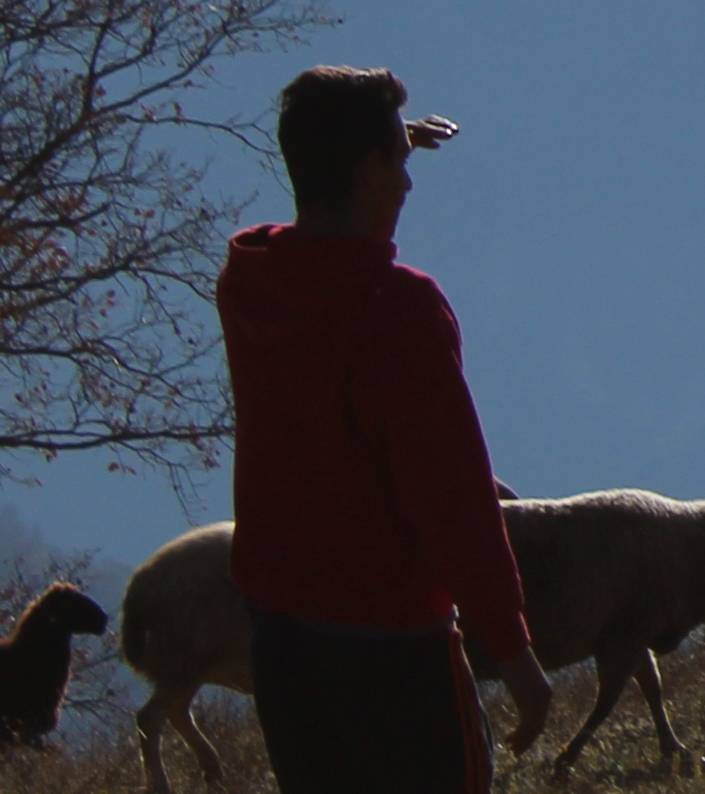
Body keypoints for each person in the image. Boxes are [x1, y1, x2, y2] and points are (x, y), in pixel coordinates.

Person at [217, 69, 554, 794]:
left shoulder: (249, 282)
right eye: (397, 166)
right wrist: (516, 652)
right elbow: (451, 495)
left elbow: (323, 204)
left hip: (282, 641)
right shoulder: (397, 313)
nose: (408, 185)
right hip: (391, 652)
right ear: (369, 169)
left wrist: (387, 145)